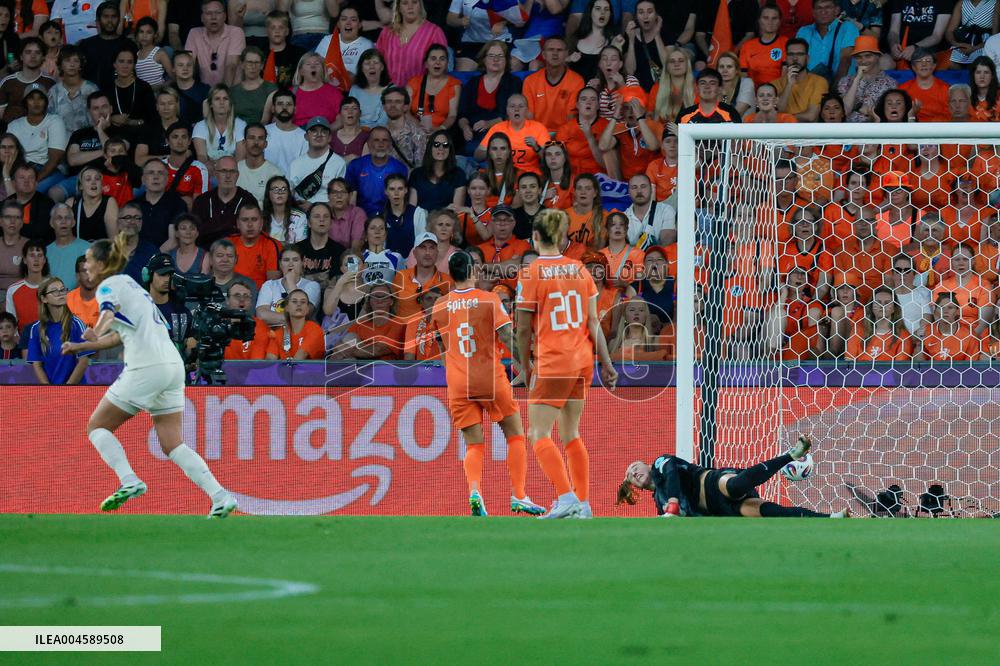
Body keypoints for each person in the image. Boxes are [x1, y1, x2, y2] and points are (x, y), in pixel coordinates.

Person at [58, 234, 239, 517]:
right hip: (172, 366)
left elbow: (107, 314)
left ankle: (129, 480)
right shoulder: (132, 286)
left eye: (90, 260)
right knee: (173, 443)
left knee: (97, 428)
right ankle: (220, 496)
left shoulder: (108, 286)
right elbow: (123, 333)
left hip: (146, 366)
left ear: (103, 263)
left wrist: (96, 330)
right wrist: (86, 345)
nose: (86, 266)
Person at [514, 209, 618, 519]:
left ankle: (565, 496)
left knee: (538, 434)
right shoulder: (579, 270)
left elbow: (521, 328)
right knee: (571, 432)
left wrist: (524, 365)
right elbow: (593, 321)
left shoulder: (531, 273)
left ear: (535, 237)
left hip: (553, 359)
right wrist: (607, 363)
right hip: (582, 359)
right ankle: (583, 503)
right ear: (561, 237)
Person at [429, 250, 545, 517]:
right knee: (515, 432)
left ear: (450, 274)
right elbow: (507, 336)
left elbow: (441, 346)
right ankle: (519, 495)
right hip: (488, 377)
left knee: (473, 443)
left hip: (458, 382)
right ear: (472, 272)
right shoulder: (489, 300)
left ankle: (474, 491)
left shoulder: (439, 306)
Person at [617, 436, 850, 517]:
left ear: (645, 464)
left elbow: (671, 474)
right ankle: (831, 518)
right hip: (718, 510)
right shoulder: (659, 503)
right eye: (630, 476)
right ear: (635, 486)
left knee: (735, 486)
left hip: (711, 483)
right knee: (767, 512)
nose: (634, 473)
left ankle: (791, 455)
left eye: (634, 467)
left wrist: (674, 503)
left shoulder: (660, 463)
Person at [456, 41, 523, 156]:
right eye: (491, 56)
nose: (495, 60)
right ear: (484, 59)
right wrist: (465, 127)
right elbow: (462, 114)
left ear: (506, 60)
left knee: (477, 148)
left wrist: (489, 123)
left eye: (500, 56)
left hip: (501, 130)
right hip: (474, 131)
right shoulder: (472, 83)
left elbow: (514, 114)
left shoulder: (514, 82)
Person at [27, 276, 91, 384]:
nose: (61, 293)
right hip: (50, 392)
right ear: (44, 299)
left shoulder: (77, 324)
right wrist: (49, 389)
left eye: (62, 290)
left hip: (74, 391)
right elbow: (37, 365)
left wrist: (67, 388)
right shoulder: (36, 329)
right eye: (55, 291)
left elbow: (83, 361)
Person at [8, 83, 68, 197]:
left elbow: (54, 160)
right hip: (21, 170)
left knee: (30, 194)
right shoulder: (14, 126)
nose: (36, 102)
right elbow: (9, 157)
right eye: (31, 98)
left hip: (47, 171)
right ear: (25, 102)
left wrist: (34, 181)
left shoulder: (54, 121)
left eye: (40, 98)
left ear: (46, 101)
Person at [376, 0, 447, 87]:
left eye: (414, 2)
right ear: (399, 7)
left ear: (420, 5)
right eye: (405, 3)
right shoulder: (387, 33)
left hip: (421, 93)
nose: (410, 7)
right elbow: (377, 63)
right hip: (390, 95)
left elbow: (441, 69)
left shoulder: (434, 32)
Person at [476, 95, 551, 176]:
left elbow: (549, 158)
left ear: (527, 110)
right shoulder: (497, 128)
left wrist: (536, 148)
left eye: (521, 106)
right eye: (512, 106)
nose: (516, 109)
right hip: (502, 174)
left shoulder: (538, 128)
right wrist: (493, 150)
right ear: (507, 111)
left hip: (529, 176)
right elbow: (477, 156)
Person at [522, 36, 586, 131]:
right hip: (537, 134)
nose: (555, 54)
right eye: (551, 50)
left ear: (566, 54)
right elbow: (528, 117)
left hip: (565, 135)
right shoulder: (530, 81)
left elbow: (571, 118)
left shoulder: (576, 81)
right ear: (543, 54)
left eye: (559, 50)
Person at [344, 127, 408, 217]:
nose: (380, 144)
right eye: (376, 140)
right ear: (369, 144)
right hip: (361, 217)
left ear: (390, 144)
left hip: (390, 217)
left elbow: (402, 200)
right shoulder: (356, 166)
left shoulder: (399, 168)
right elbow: (350, 199)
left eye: (385, 140)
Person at [192, 156, 254, 247]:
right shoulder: (202, 202)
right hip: (206, 255)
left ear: (237, 175)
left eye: (232, 171)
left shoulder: (248, 201)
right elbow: (193, 235)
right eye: (223, 171)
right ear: (216, 174)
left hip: (239, 255)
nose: (228, 176)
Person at [796, 0, 860, 84]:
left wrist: (834, 89)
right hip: (809, 87)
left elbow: (846, 59)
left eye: (828, 7)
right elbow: (797, 61)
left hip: (841, 87)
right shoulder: (804, 31)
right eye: (819, 8)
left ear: (837, 10)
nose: (823, 12)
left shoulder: (848, 27)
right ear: (813, 12)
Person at [289, 116, 348, 206]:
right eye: (314, 131)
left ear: (329, 137)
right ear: (306, 136)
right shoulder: (295, 164)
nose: (319, 134)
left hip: (327, 215)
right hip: (299, 214)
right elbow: (289, 194)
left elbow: (340, 199)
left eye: (323, 131)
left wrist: (313, 207)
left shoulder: (338, 163)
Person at [185, 0, 246, 87]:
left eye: (218, 12)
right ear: (202, 17)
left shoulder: (236, 32)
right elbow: (188, 63)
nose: (213, 17)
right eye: (208, 13)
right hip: (205, 92)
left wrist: (222, 94)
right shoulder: (194, 33)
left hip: (232, 90)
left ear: (225, 16)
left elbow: (231, 66)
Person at [256, 245, 321, 326]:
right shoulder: (269, 285)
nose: (291, 264)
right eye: (286, 260)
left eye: (295, 260)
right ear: (280, 264)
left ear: (302, 263)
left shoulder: (312, 286)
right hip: (272, 334)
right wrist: (292, 317)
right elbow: (261, 315)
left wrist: (290, 282)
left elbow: (304, 312)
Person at [145, 253, 195, 356]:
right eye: (162, 274)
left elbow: (190, 348)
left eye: (170, 275)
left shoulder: (183, 313)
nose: (167, 279)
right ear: (148, 275)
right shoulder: (139, 310)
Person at [131, 160, 188, 251]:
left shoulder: (177, 204)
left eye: (160, 173)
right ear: (143, 179)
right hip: (135, 257)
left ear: (167, 179)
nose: (156, 177)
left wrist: (152, 259)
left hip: (164, 258)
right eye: (151, 173)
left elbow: (173, 241)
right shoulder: (132, 205)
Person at [554, 87, 610, 179]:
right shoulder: (565, 128)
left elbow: (606, 164)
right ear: (577, 105)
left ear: (598, 106)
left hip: (599, 177)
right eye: (584, 99)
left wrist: (590, 137)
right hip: (571, 176)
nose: (588, 102)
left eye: (593, 99)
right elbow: (558, 161)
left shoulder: (607, 127)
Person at [838, 35, 897, 122]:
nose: (863, 61)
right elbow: (845, 112)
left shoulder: (890, 83)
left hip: (876, 131)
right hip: (848, 131)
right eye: (859, 57)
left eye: (868, 56)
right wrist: (857, 79)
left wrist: (871, 112)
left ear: (878, 56)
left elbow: (891, 115)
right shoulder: (845, 81)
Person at [193, 85, 248, 179]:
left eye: (225, 99)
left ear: (230, 103)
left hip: (234, 173)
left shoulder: (241, 125)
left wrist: (225, 171)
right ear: (210, 104)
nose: (221, 102)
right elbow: (202, 158)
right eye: (217, 99)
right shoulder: (200, 126)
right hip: (210, 173)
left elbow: (240, 159)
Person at [314, 6, 373, 90]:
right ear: (338, 24)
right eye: (344, 19)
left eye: (353, 20)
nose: (348, 23)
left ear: (359, 25)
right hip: (328, 88)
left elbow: (370, 73)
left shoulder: (367, 45)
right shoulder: (327, 40)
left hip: (356, 89)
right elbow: (316, 66)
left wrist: (354, 78)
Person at [405, 44, 460, 134]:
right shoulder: (414, 82)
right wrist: (419, 127)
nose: (437, 62)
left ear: (447, 64)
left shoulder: (454, 84)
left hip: (441, 132)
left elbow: (452, 115)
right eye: (433, 58)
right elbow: (405, 111)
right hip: (415, 130)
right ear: (426, 64)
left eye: (442, 59)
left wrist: (439, 129)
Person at [46, 46, 100, 136]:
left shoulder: (91, 89)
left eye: (76, 61)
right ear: (60, 65)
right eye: (67, 60)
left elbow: (99, 119)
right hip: (60, 142)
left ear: (80, 66)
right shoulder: (54, 91)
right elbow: (49, 121)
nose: (72, 64)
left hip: (88, 141)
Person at [408, 130, 466, 213]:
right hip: (421, 223)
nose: (441, 148)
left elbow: (457, 212)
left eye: (445, 145)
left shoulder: (459, 175)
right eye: (436, 144)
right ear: (430, 148)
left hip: (446, 223)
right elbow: (412, 210)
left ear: (450, 149)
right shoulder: (416, 174)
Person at [0, 37, 54, 126]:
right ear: (21, 56)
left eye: (37, 52)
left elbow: (52, 114)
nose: (33, 56)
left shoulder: (50, 83)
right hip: (11, 134)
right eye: (28, 52)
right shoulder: (7, 82)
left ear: (43, 57)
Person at [773, 37, 830, 122]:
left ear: (807, 59)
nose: (795, 58)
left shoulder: (819, 82)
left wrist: (783, 118)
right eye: (791, 54)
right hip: (782, 133)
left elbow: (811, 116)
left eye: (800, 54)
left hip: (808, 133)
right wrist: (789, 84)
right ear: (786, 59)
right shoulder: (775, 84)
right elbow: (777, 111)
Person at [78, 3, 132, 91]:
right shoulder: (86, 45)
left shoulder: (128, 44)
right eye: (106, 17)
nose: (110, 20)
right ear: (98, 20)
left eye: (113, 16)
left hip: (122, 94)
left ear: (119, 19)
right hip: (92, 96)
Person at [227, 201, 281, 288]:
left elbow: (272, 285)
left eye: (254, 219)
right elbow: (219, 276)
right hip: (230, 293)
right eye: (245, 220)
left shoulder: (272, 245)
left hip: (260, 296)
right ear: (238, 224)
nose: (250, 225)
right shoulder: (227, 243)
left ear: (261, 223)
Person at [295, 202, 346, 291]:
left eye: (326, 216)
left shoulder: (340, 251)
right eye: (317, 216)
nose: (322, 220)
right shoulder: (297, 250)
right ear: (309, 223)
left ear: (331, 223)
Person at [888, 0, 953, 69]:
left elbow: (937, 36)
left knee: (923, 62)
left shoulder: (944, 2)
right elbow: (893, 31)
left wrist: (916, 47)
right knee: (884, 62)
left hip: (930, 49)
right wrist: (893, 45)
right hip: (903, 49)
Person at [263, 287, 325, 359]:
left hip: (311, 370)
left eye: (303, 302)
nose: (299, 304)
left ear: (307, 309)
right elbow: (269, 362)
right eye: (294, 301)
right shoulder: (279, 334)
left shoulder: (314, 329)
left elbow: (300, 357)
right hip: (286, 369)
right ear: (287, 308)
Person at [6, 237, 49, 331]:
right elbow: (11, 323)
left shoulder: (53, 286)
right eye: (32, 255)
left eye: (40, 255)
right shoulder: (13, 290)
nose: (36, 259)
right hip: (24, 342)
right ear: (25, 260)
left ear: (44, 260)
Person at [162, 123, 210, 207]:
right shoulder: (159, 166)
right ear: (167, 141)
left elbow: (199, 205)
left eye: (184, 137)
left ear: (189, 142)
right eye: (175, 137)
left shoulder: (199, 169)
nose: (180, 141)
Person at [899, 47, 953, 121]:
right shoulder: (903, 90)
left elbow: (952, 117)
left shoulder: (947, 89)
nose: (924, 64)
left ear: (934, 66)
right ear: (913, 67)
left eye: (928, 61)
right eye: (919, 61)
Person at [67, 166, 118, 242]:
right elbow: (64, 239)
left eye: (97, 179)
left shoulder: (109, 202)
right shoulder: (71, 203)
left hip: (101, 251)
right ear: (81, 186)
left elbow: (114, 240)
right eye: (88, 179)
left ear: (102, 184)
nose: (93, 182)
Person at [292, 52, 344, 127]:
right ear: (301, 71)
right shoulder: (291, 93)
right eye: (308, 64)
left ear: (323, 70)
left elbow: (341, 120)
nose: (313, 66)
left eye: (317, 64)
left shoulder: (334, 93)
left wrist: (326, 133)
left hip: (324, 135)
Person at [741, 4, 789, 86]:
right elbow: (743, 76)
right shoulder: (747, 46)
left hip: (777, 93)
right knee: (725, 97)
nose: (770, 22)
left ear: (780, 21)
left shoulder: (786, 42)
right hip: (751, 94)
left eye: (774, 18)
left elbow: (785, 76)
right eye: (766, 18)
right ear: (759, 20)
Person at [258, 10, 306, 89]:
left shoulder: (298, 54)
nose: (277, 31)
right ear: (267, 31)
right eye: (273, 27)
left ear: (287, 31)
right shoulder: (260, 54)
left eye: (281, 27)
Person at [237, 123, 282, 206]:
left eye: (260, 138)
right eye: (251, 138)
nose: (256, 142)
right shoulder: (235, 170)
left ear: (266, 144)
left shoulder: (275, 173)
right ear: (244, 142)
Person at [46, 204, 91, 289]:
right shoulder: (45, 252)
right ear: (51, 223)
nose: (63, 221)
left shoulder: (88, 249)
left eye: (67, 218)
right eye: (59, 218)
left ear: (73, 222)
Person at [380, 85, 425, 169]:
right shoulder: (378, 134)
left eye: (398, 102)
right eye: (389, 101)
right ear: (384, 107)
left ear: (406, 107)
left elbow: (420, 168)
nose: (393, 105)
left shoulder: (418, 134)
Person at [135, 89, 183, 166]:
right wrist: (165, 158)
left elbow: (187, 156)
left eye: (170, 103)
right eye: (162, 104)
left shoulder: (185, 126)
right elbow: (139, 160)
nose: (166, 108)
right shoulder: (147, 128)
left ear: (177, 105)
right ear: (157, 106)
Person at [263, 88, 307, 174]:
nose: (284, 107)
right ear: (272, 108)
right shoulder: (263, 132)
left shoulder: (304, 137)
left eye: (289, 104)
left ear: (295, 109)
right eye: (280, 104)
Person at [676, 68, 743, 123]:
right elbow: (670, 137)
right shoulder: (684, 115)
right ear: (696, 88)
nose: (707, 86)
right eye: (702, 83)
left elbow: (738, 137)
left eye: (712, 83)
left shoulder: (730, 113)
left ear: (720, 89)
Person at [231, 46, 277, 124]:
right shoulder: (232, 91)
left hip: (263, 133)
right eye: (249, 62)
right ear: (242, 64)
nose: (253, 67)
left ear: (262, 65)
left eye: (257, 62)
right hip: (237, 134)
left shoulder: (271, 89)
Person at [348, 48, 390, 129]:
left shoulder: (391, 90)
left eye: (375, 63)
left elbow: (385, 120)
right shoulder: (355, 90)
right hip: (357, 132)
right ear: (362, 69)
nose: (372, 66)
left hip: (381, 133)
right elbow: (351, 115)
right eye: (367, 63)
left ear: (382, 67)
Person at [360, 215, 404, 286]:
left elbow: (402, 286)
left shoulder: (396, 257)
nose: (377, 231)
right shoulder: (358, 258)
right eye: (372, 228)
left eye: (381, 228)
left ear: (386, 234)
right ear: (365, 235)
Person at [264, 174, 307, 243]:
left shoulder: (299, 217)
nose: (280, 192)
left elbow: (301, 246)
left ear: (288, 194)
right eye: (275, 189)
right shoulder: (261, 217)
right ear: (268, 193)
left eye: (284, 189)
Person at [172, 50, 211, 127]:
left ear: (193, 68)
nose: (185, 68)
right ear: (173, 69)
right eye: (180, 65)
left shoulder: (205, 90)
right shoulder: (169, 91)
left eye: (189, 65)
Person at [134, 17, 173, 88]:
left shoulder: (160, 53)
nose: (144, 35)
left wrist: (159, 88)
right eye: (141, 32)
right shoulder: (136, 55)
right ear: (137, 35)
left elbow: (173, 77)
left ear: (155, 35)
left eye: (148, 32)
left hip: (158, 95)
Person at [716, 51, 756, 116]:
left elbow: (738, 112)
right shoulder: (715, 85)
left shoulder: (746, 83)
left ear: (736, 70)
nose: (725, 70)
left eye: (729, 67)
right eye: (721, 67)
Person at [331, 97, 369, 163]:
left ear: (360, 113)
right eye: (345, 108)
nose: (350, 112)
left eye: (354, 108)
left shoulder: (367, 137)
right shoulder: (331, 137)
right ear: (340, 114)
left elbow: (365, 165)